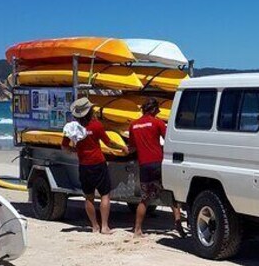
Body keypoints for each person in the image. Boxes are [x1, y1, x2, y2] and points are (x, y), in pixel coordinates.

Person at [62, 98, 127, 234]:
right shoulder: (96, 125)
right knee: (105, 194)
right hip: (98, 163)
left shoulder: (72, 128)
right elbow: (108, 142)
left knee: (89, 197)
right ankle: (104, 226)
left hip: (84, 165)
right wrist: (122, 147)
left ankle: (94, 226)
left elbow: (64, 147)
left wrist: (77, 150)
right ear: (90, 111)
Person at [128, 98, 185, 237]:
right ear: (153, 110)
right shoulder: (157, 122)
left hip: (144, 165)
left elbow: (132, 147)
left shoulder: (133, 125)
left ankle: (137, 229)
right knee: (172, 195)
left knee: (145, 199)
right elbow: (169, 140)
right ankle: (178, 226)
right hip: (158, 163)